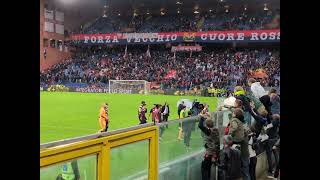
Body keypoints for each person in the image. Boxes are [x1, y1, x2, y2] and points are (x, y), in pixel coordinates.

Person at [228, 108, 251, 180]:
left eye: (233, 113)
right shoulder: (242, 123)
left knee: (245, 172)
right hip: (245, 152)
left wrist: (229, 135)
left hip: (244, 153)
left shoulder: (235, 122)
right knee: (245, 171)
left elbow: (234, 127)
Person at [198, 109, 220, 180]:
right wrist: (209, 117)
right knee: (208, 169)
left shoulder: (209, 131)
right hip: (214, 153)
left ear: (207, 126)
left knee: (204, 169)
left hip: (210, 153)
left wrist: (202, 117)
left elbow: (200, 126)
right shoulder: (215, 129)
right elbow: (211, 123)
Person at [265, 114, 280, 178]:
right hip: (275, 139)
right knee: (276, 155)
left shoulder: (273, 123)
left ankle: (271, 170)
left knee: (269, 156)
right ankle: (277, 169)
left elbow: (266, 127)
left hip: (270, 141)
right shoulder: (277, 123)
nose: (271, 116)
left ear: (274, 118)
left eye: (273, 116)